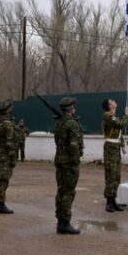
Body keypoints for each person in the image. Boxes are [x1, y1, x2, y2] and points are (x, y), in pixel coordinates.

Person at [54, 97, 84, 234]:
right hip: (69, 162)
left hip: (60, 159)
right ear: (71, 108)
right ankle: (65, 222)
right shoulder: (71, 123)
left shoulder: (60, 122)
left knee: (61, 190)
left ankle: (60, 221)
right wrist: (75, 161)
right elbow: (73, 145)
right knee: (68, 191)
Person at [101, 98, 128, 212]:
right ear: (109, 105)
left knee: (117, 176)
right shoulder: (108, 116)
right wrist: (126, 115)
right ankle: (108, 202)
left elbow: (119, 133)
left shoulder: (114, 116)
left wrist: (122, 145)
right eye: (112, 100)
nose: (114, 101)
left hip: (116, 148)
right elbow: (120, 125)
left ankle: (114, 200)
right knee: (110, 175)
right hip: (110, 149)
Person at [0, 100, 17, 214]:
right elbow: (9, 142)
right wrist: (13, 157)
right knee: (3, 180)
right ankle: (0, 204)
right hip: (5, 155)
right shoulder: (7, 123)